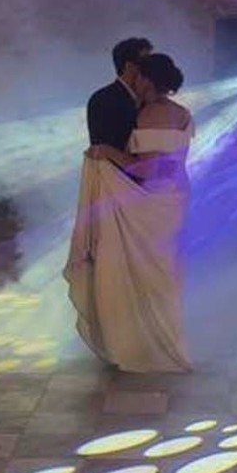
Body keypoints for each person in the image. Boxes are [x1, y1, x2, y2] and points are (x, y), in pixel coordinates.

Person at [65, 52, 194, 373]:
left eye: (139, 77)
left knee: (135, 273)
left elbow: (148, 169)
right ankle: (167, 340)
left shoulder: (149, 114)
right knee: (163, 274)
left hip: (150, 202)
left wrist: (105, 152)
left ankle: (141, 346)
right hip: (176, 197)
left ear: (147, 80)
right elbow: (171, 163)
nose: (134, 82)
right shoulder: (183, 113)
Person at [86, 37, 153, 159]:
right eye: (146, 64)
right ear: (129, 66)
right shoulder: (102, 100)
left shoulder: (151, 100)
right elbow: (106, 151)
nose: (151, 69)